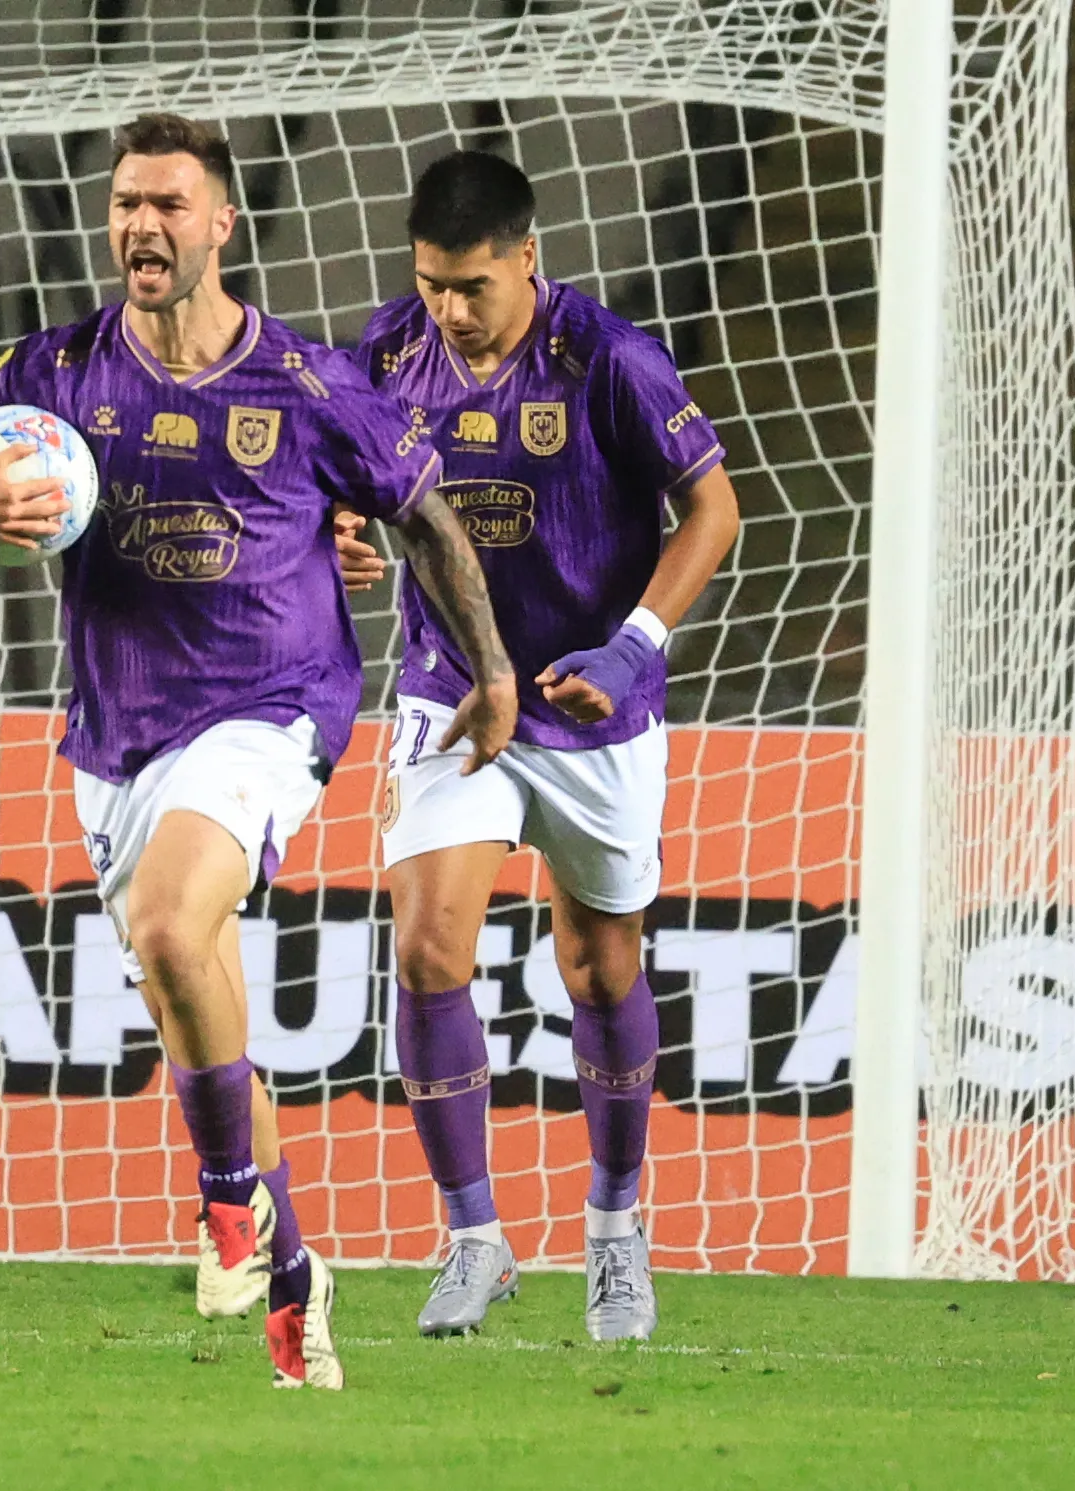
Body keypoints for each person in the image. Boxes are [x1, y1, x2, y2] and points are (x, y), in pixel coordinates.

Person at [0, 114, 515, 1389]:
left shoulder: (310, 384)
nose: (140, 225)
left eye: (168, 203)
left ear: (220, 225)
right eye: (124, 205)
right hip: (118, 734)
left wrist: (486, 670)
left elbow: (428, 520)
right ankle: (293, 1278)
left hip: (271, 709)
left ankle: (225, 1202)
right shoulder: (53, 371)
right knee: (192, 1002)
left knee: (169, 923)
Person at [353, 151, 740, 1342]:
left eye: (471, 285)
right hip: (456, 692)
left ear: (528, 257)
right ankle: (473, 1238)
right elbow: (344, 492)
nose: (449, 311)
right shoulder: (386, 352)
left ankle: (616, 1231)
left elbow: (712, 510)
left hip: (590, 708)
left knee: (601, 969)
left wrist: (631, 646)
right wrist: (342, 543)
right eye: (430, 284)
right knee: (425, 952)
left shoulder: (609, 359)